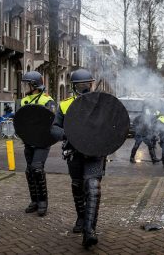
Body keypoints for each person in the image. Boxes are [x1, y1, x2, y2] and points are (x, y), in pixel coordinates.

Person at [51, 69, 104, 249]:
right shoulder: (65, 105)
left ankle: (90, 231)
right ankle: (81, 217)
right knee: (77, 185)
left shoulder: (100, 103)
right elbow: (55, 128)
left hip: (95, 153)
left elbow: (110, 125)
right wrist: (68, 134)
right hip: (74, 152)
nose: (84, 88)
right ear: (74, 87)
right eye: (81, 85)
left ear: (91, 84)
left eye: (87, 85)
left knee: (93, 186)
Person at [19, 71, 56, 216]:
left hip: (42, 141)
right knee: (29, 171)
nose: (24, 86)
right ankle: (34, 200)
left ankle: (43, 202)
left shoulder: (47, 100)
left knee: (37, 169)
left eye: (26, 84)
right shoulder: (24, 100)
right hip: (29, 141)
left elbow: (52, 121)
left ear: (34, 85)